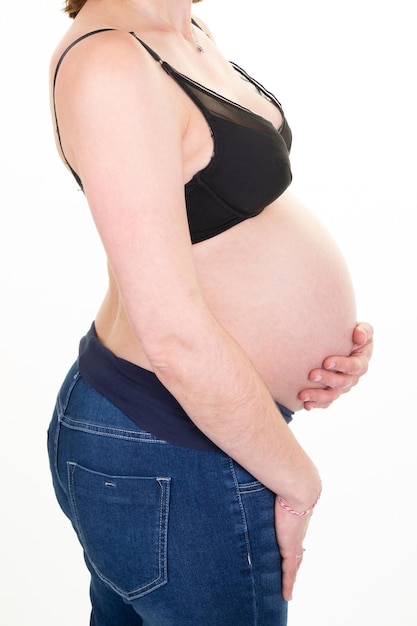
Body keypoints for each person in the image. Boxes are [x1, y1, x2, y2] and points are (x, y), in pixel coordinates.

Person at [46, 1, 374, 624]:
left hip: (188, 440)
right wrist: (301, 481)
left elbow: (226, 238)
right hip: (169, 445)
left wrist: (321, 346)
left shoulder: (185, 29)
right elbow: (171, 332)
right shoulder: (112, 63)